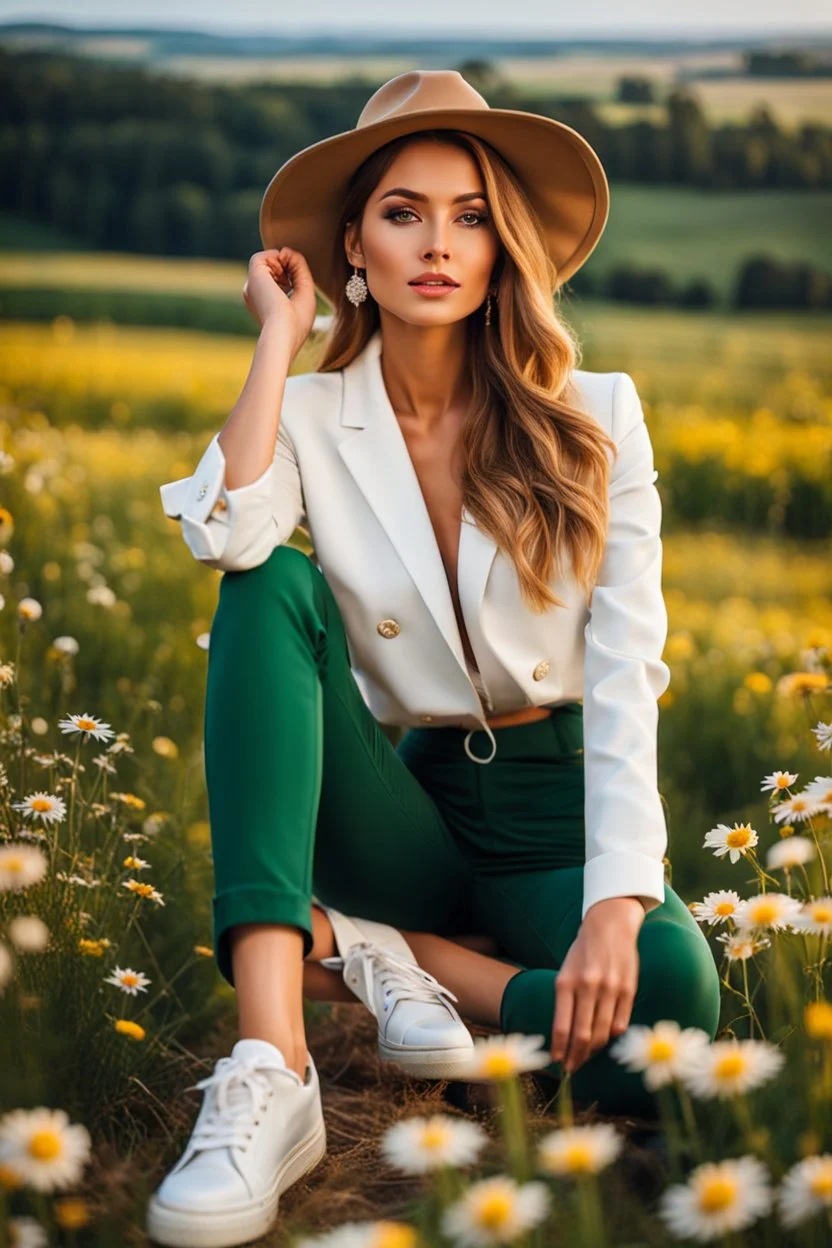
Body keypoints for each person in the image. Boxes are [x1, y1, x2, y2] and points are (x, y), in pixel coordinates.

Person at [146, 69, 721, 1248]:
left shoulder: (598, 413)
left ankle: (391, 958)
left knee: (673, 995)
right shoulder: (310, 413)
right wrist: (278, 342)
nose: (437, 244)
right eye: (403, 212)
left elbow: (625, 673)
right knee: (269, 586)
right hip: (408, 810)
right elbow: (225, 533)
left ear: (504, 247)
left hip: (559, 809)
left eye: (468, 216)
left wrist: (616, 899)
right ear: (353, 240)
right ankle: (273, 1062)